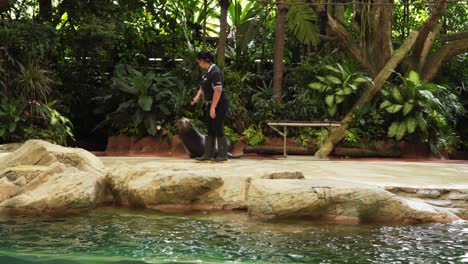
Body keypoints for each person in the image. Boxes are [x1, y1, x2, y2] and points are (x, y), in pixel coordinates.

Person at [191, 51, 230, 162]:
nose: (198, 64)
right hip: (210, 103)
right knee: (210, 128)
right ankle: (208, 153)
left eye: (198, 62)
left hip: (219, 104)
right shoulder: (207, 72)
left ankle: (223, 155)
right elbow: (202, 86)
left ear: (202, 61)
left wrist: (213, 107)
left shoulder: (215, 72)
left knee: (217, 126)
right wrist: (197, 97)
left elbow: (218, 90)